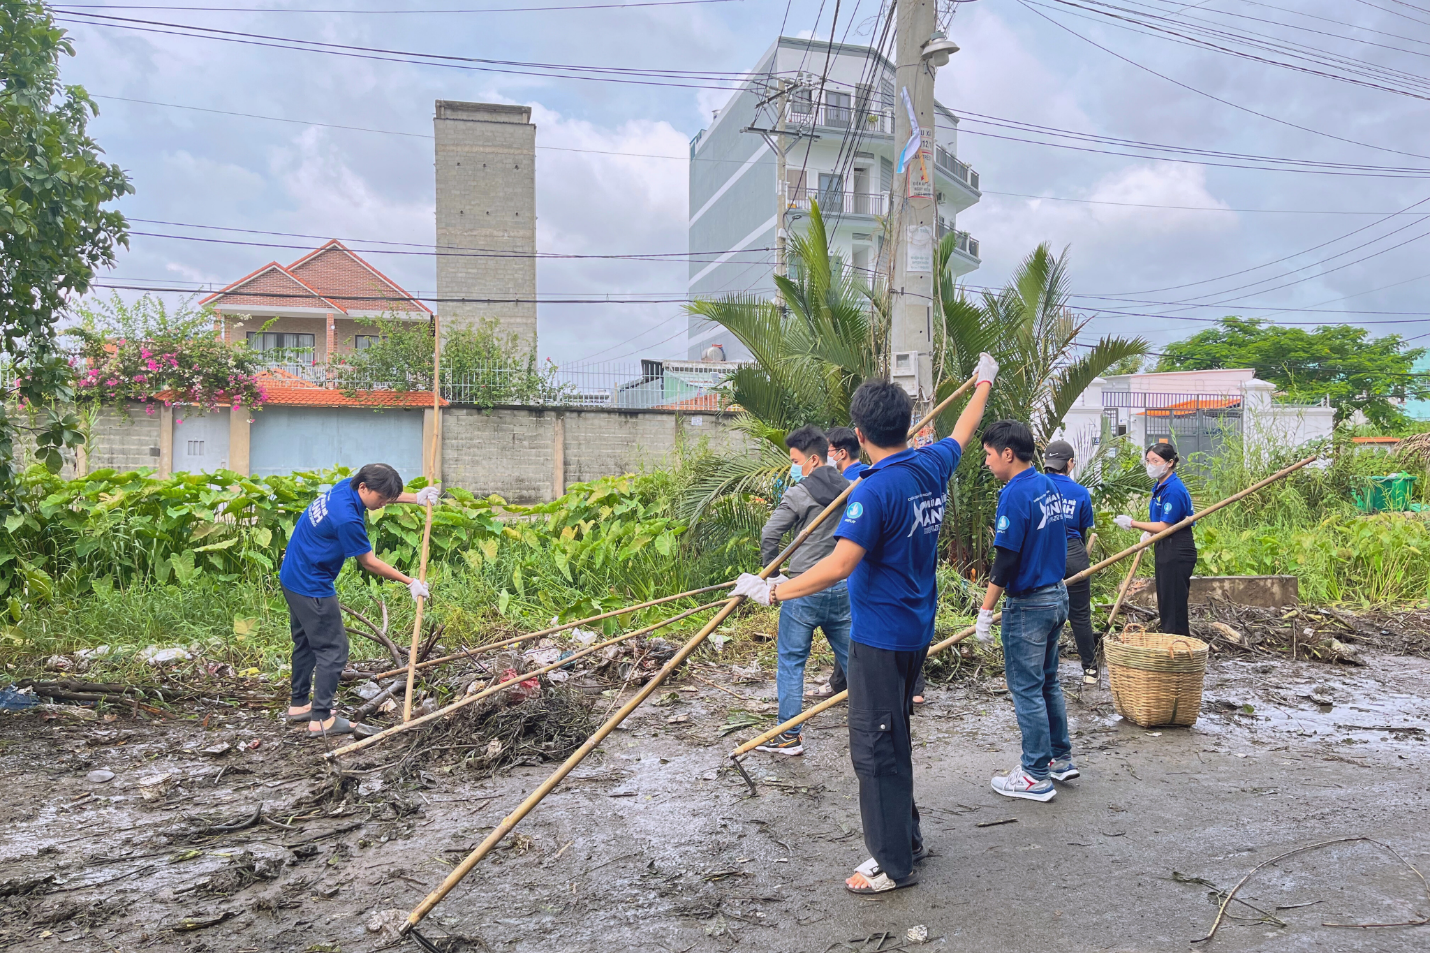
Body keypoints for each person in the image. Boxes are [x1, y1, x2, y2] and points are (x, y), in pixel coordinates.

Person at [735, 353, 998, 895]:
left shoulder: (876, 489)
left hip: (879, 636)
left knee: (875, 747)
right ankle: (908, 838)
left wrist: (773, 590)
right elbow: (965, 428)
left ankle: (891, 864)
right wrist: (985, 381)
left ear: (858, 433)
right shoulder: (931, 463)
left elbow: (839, 563)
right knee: (894, 734)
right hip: (914, 631)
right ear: (906, 426)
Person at [279, 463, 439, 738]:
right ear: (364, 488)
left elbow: (382, 494)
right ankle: (322, 720)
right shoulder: (347, 519)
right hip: (312, 584)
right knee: (334, 649)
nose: (382, 505)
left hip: (293, 575)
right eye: (381, 499)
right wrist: (410, 581)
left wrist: (416, 497)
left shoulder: (346, 487)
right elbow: (369, 563)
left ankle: (299, 704)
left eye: (388, 499)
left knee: (305, 642)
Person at [976, 421, 1073, 803]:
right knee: (1048, 682)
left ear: (1007, 454)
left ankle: (1034, 774)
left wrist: (986, 610)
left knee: (1027, 688)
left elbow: (1006, 558)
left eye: (987, 454)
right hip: (1055, 596)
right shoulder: (1047, 484)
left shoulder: (1014, 494)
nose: (985, 463)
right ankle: (1059, 758)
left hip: (1029, 604)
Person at [753, 426, 852, 755]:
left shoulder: (799, 493)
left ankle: (789, 736)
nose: (793, 467)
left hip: (803, 589)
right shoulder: (851, 488)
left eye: (795, 461)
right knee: (856, 660)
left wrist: (774, 577)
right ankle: (878, 723)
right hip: (841, 587)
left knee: (793, 662)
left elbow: (770, 534)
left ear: (812, 459)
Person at [1115, 442, 1196, 635]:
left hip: (1177, 548)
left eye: (1155, 461)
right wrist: (1150, 532)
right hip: (1164, 546)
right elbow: (1160, 522)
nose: (1150, 465)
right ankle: (1170, 642)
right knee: (1166, 602)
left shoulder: (1173, 489)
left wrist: (1133, 523)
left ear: (1169, 463)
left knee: (1174, 603)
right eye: (1148, 461)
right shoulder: (1160, 485)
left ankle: (1178, 645)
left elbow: (1166, 526)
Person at [1043, 440, 1098, 684]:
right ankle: (1090, 670)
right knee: (1080, 615)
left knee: (1043, 613)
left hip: (1044, 554)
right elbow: (1082, 529)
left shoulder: (1038, 487)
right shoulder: (1080, 492)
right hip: (1074, 555)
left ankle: (1044, 670)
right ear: (1070, 464)